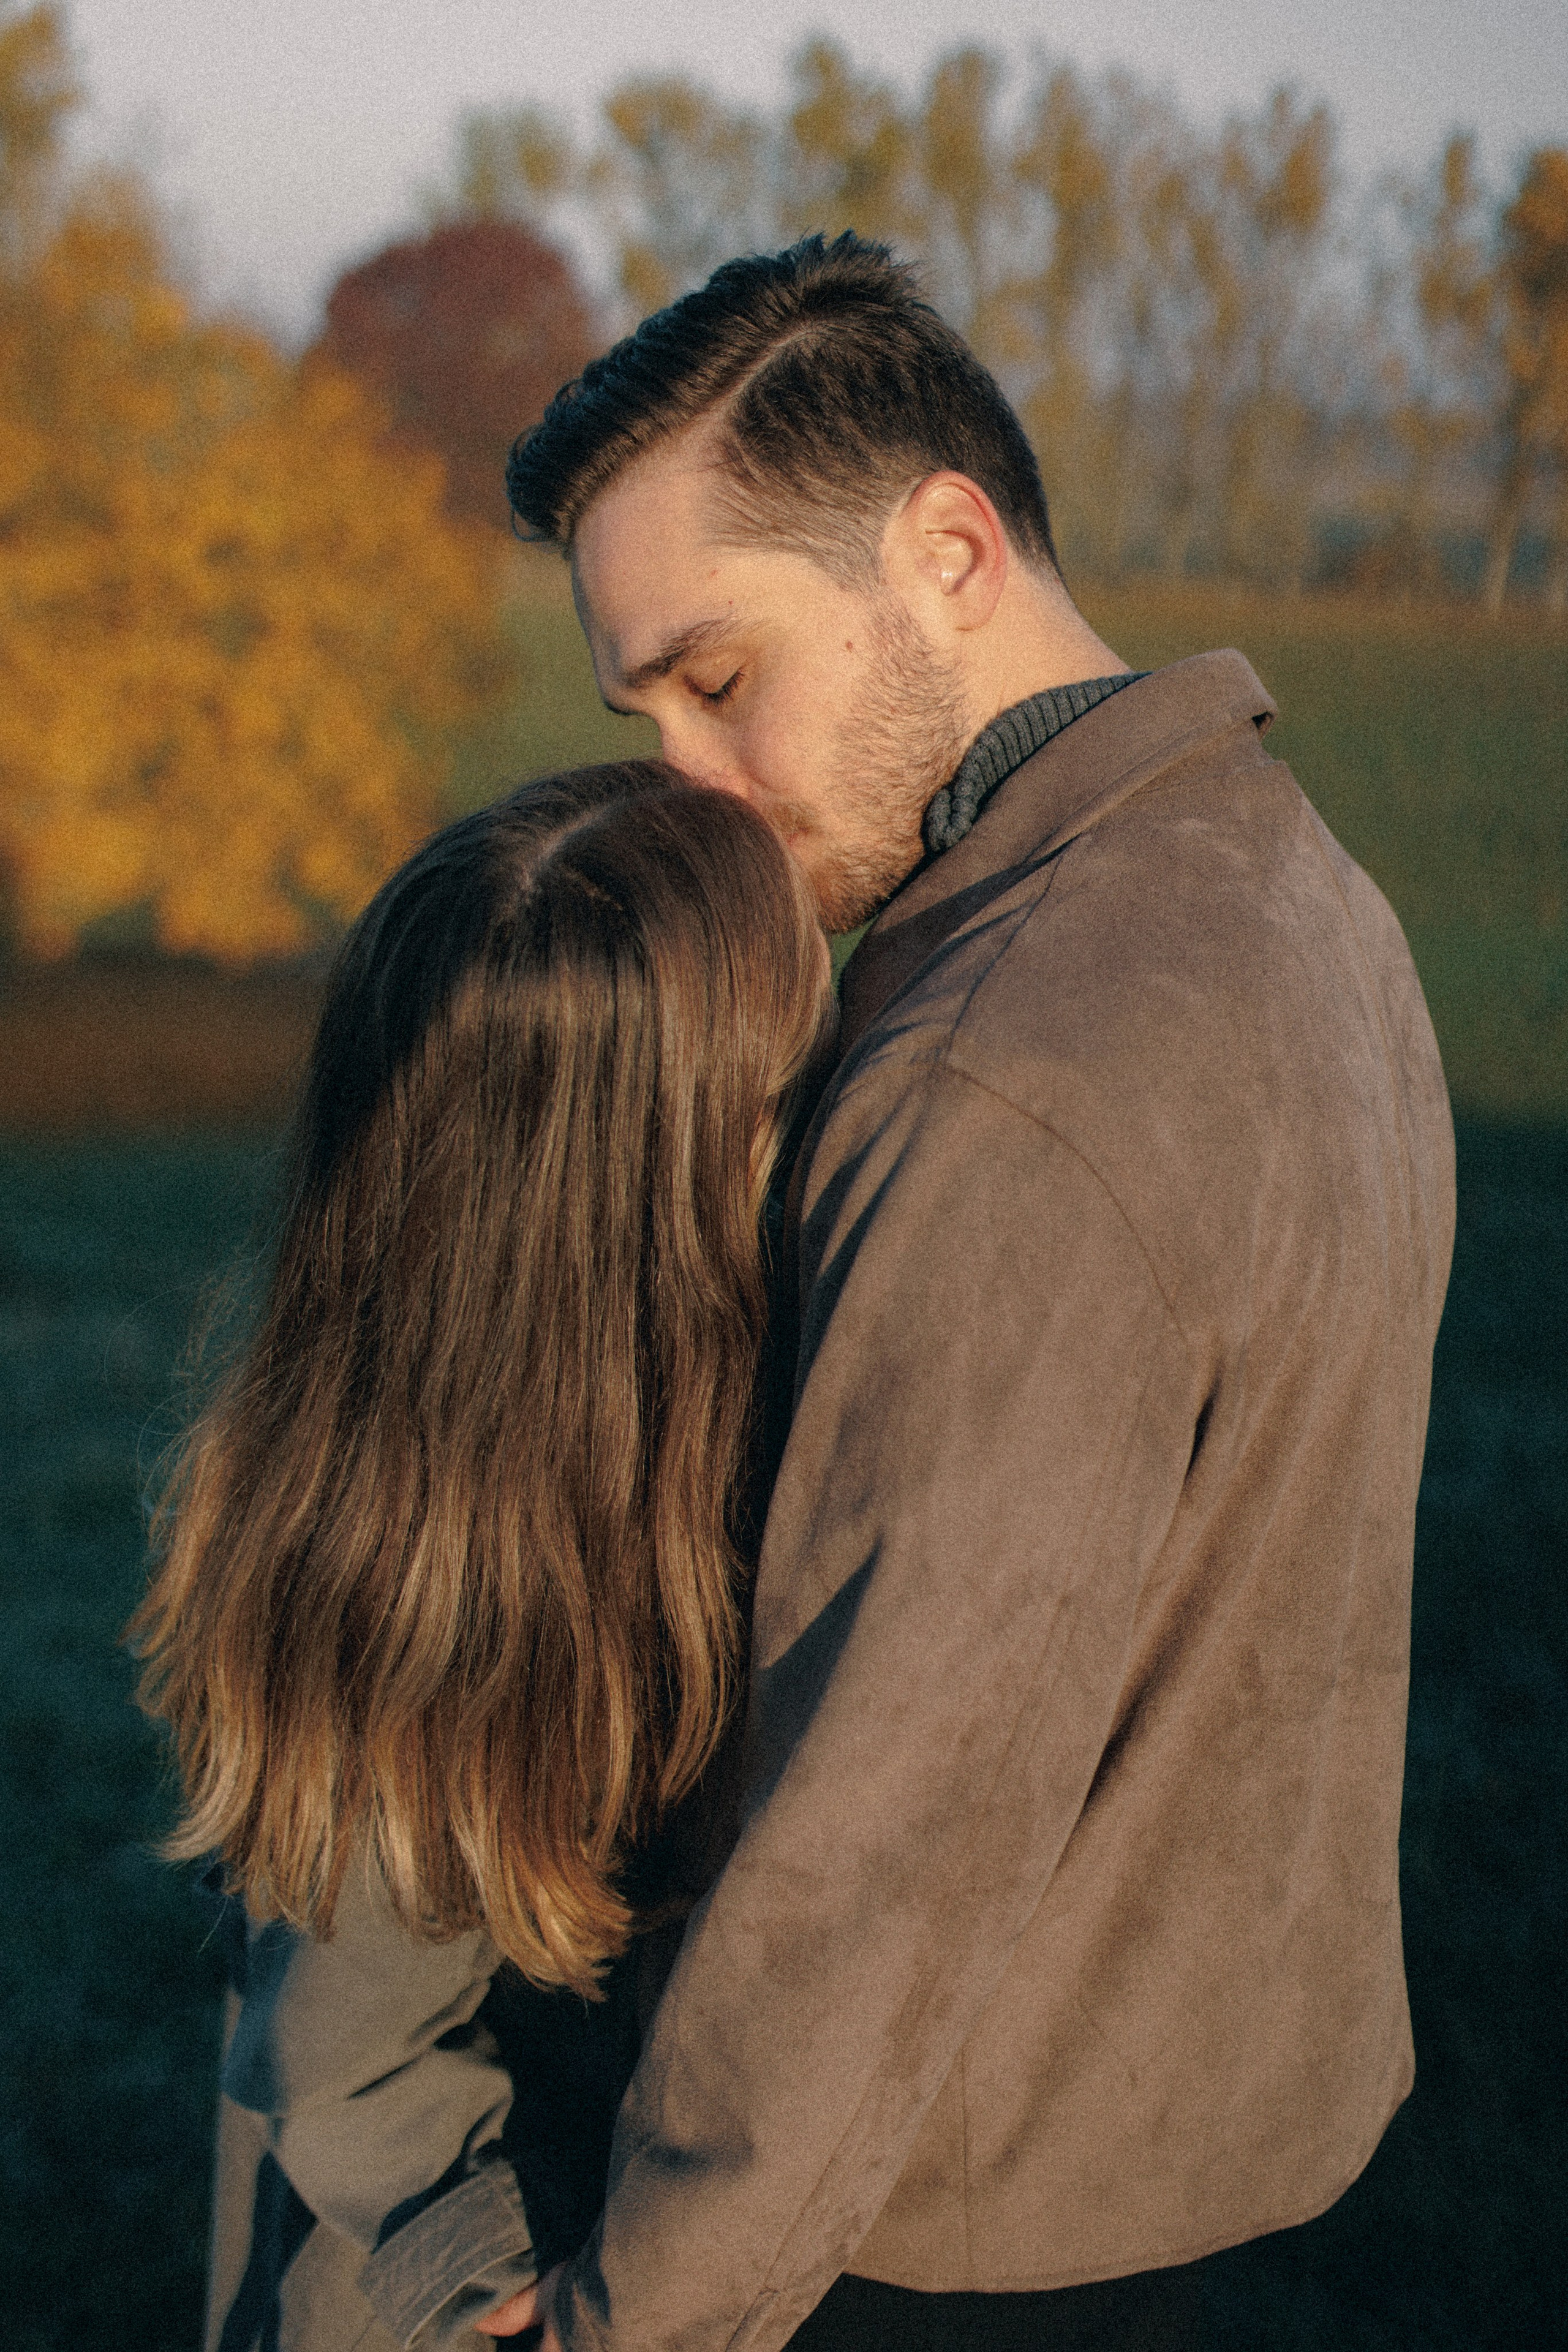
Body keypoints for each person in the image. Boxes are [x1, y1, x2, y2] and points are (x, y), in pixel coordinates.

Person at [480, 232, 1457, 2351]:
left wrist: (637, 2317)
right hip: (1244, 2149)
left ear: (946, 548)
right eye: (641, 708)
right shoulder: (1301, 888)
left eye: (719, 680)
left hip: (956, 2231)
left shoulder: (1007, 1074)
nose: (683, 784)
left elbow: (878, 1829)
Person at [129, 761, 835, 2351]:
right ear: (683, 1174)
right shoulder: (454, 1585)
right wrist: (497, 2268)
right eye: (802, 1078)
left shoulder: (562, 1456)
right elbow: (336, 2047)